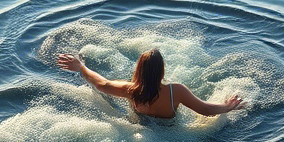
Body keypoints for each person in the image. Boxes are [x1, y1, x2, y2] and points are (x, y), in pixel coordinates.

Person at [56, 48, 244, 119]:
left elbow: (101, 84)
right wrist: (228, 107)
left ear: (138, 70)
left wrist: (81, 67)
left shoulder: (130, 90)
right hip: (171, 135)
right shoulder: (175, 91)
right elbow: (204, 109)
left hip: (142, 131)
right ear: (162, 71)